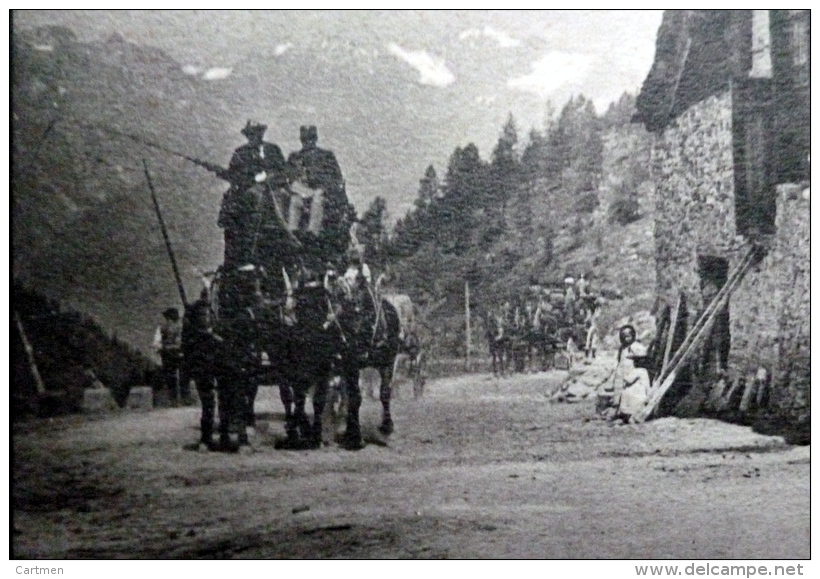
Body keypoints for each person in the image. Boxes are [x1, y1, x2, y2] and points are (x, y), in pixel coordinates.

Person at [217, 121, 291, 268]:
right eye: (251, 134)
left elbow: (284, 171)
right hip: (249, 190)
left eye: (256, 134)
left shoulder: (272, 150)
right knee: (236, 202)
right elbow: (234, 174)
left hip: (272, 189)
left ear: (261, 134)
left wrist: (269, 177)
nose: (254, 137)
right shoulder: (240, 153)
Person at [287, 125, 355, 271]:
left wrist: (324, 189)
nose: (308, 142)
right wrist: (298, 188)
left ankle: (312, 233)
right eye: (305, 139)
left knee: (317, 200)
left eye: (310, 139)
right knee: (294, 200)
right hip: (301, 192)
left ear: (315, 139)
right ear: (301, 140)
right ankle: (292, 232)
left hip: (321, 193)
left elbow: (336, 178)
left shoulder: (326, 155)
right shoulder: (294, 157)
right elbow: (288, 178)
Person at [182, 289, 222, 449]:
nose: (206, 318)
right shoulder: (203, 333)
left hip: (208, 365)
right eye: (203, 316)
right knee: (209, 403)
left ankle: (209, 438)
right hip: (206, 366)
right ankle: (207, 438)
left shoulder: (196, 329)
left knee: (211, 403)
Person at [596, 324, 651, 422]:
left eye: (629, 336)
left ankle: (621, 412)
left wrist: (634, 356)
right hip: (621, 373)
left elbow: (643, 356)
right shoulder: (622, 348)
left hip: (630, 374)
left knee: (627, 393)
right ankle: (614, 408)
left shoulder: (635, 347)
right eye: (624, 337)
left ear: (633, 336)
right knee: (616, 391)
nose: (626, 339)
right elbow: (618, 361)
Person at [153, 307, 190, 406]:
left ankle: (176, 399)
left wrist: (161, 349)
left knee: (173, 377)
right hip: (178, 353)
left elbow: (157, 343)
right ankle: (184, 398)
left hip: (170, 354)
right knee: (181, 376)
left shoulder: (163, 327)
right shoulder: (183, 327)